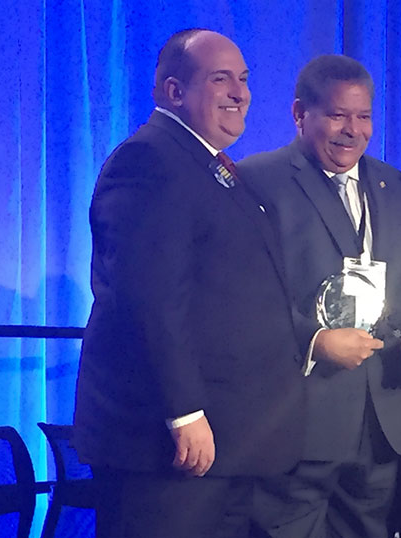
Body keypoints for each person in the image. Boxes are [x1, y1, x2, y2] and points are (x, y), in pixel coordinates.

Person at [73, 29, 305, 537]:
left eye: (243, 80)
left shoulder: (209, 167)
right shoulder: (149, 161)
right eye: (221, 79)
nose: (240, 94)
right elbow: (149, 301)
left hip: (231, 442)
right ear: (174, 91)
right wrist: (184, 413)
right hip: (166, 448)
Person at [237, 54, 401, 538]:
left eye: (363, 116)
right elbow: (242, 299)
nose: (353, 130)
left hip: (379, 421)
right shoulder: (258, 180)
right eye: (337, 115)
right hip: (298, 420)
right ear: (300, 113)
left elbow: (398, 296)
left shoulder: (395, 186)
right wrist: (315, 341)